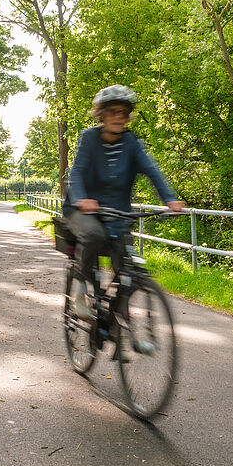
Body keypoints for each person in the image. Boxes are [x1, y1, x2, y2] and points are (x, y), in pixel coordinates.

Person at [63, 84, 184, 319]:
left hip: (116, 213)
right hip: (82, 210)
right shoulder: (89, 138)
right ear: (102, 114)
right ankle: (81, 286)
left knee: (126, 265)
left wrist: (170, 199)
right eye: (112, 111)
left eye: (123, 112)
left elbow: (152, 171)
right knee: (94, 236)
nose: (118, 116)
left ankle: (118, 322)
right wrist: (81, 199)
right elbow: (76, 174)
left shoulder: (132, 144)